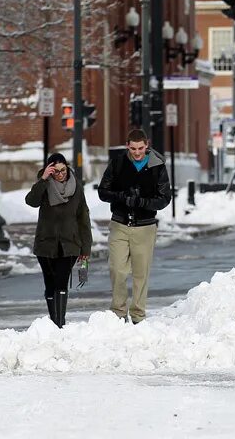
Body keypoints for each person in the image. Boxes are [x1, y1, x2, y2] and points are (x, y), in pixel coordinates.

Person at [97, 128, 171, 324]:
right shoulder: (119, 163)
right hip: (119, 223)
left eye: (140, 148)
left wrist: (142, 202)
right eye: (133, 148)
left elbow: (165, 198)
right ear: (127, 146)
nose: (137, 152)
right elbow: (103, 191)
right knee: (117, 269)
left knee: (141, 273)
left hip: (145, 227)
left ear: (146, 145)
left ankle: (138, 314)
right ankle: (119, 312)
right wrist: (121, 196)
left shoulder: (157, 166)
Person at [24, 152, 92, 328]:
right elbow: (31, 201)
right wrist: (44, 179)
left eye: (63, 170)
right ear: (49, 171)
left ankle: (59, 324)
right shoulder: (44, 186)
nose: (60, 174)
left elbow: (83, 217)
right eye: (56, 171)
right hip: (46, 243)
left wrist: (86, 248)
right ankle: (54, 323)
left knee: (61, 282)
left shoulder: (76, 187)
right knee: (50, 283)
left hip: (69, 244)